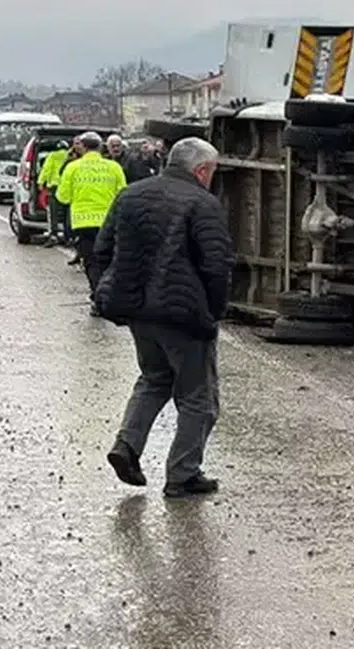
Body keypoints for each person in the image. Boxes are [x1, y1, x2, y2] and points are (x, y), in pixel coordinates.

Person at [94, 137, 234, 498]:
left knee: (154, 378)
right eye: (212, 171)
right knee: (198, 397)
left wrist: (112, 293)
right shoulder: (203, 203)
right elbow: (216, 265)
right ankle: (183, 474)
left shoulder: (131, 195)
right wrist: (212, 313)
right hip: (184, 315)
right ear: (201, 170)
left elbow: (102, 249)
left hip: (139, 311)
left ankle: (127, 446)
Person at [56, 132, 126, 306]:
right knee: (108, 259)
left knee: (91, 261)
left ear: (83, 148)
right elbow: (123, 193)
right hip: (108, 222)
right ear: (101, 147)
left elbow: (63, 197)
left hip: (83, 222)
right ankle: (108, 294)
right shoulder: (114, 167)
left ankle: (97, 296)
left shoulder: (73, 167)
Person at [37, 140, 71, 247]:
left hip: (54, 186)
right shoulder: (69, 156)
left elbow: (46, 169)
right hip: (67, 186)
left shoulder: (52, 155)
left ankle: (53, 235)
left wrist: (41, 182)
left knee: (53, 212)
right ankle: (68, 236)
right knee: (67, 212)